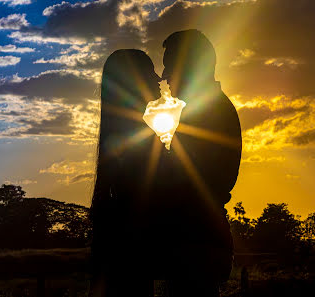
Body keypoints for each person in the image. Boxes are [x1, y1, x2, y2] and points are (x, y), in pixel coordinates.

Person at [159, 29, 242, 296]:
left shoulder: (209, 111)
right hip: (201, 240)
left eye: (170, 68)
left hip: (197, 243)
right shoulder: (205, 109)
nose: (165, 79)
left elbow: (188, 180)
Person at [90, 49, 162, 297]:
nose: (158, 79)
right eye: (150, 73)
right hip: (133, 254)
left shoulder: (126, 135)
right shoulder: (139, 139)